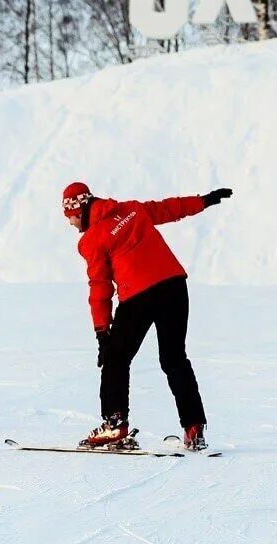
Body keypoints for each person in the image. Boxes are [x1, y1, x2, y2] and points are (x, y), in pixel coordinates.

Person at [64, 181, 232, 452]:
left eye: (70, 217)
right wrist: (204, 200)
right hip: (174, 285)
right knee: (174, 358)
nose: (71, 224)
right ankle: (194, 427)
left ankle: (114, 425)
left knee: (115, 358)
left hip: (139, 296)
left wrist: (101, 332)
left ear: (79, 210)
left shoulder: (91, 240)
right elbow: (168, 209)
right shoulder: (130, 210)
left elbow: (100, 286)